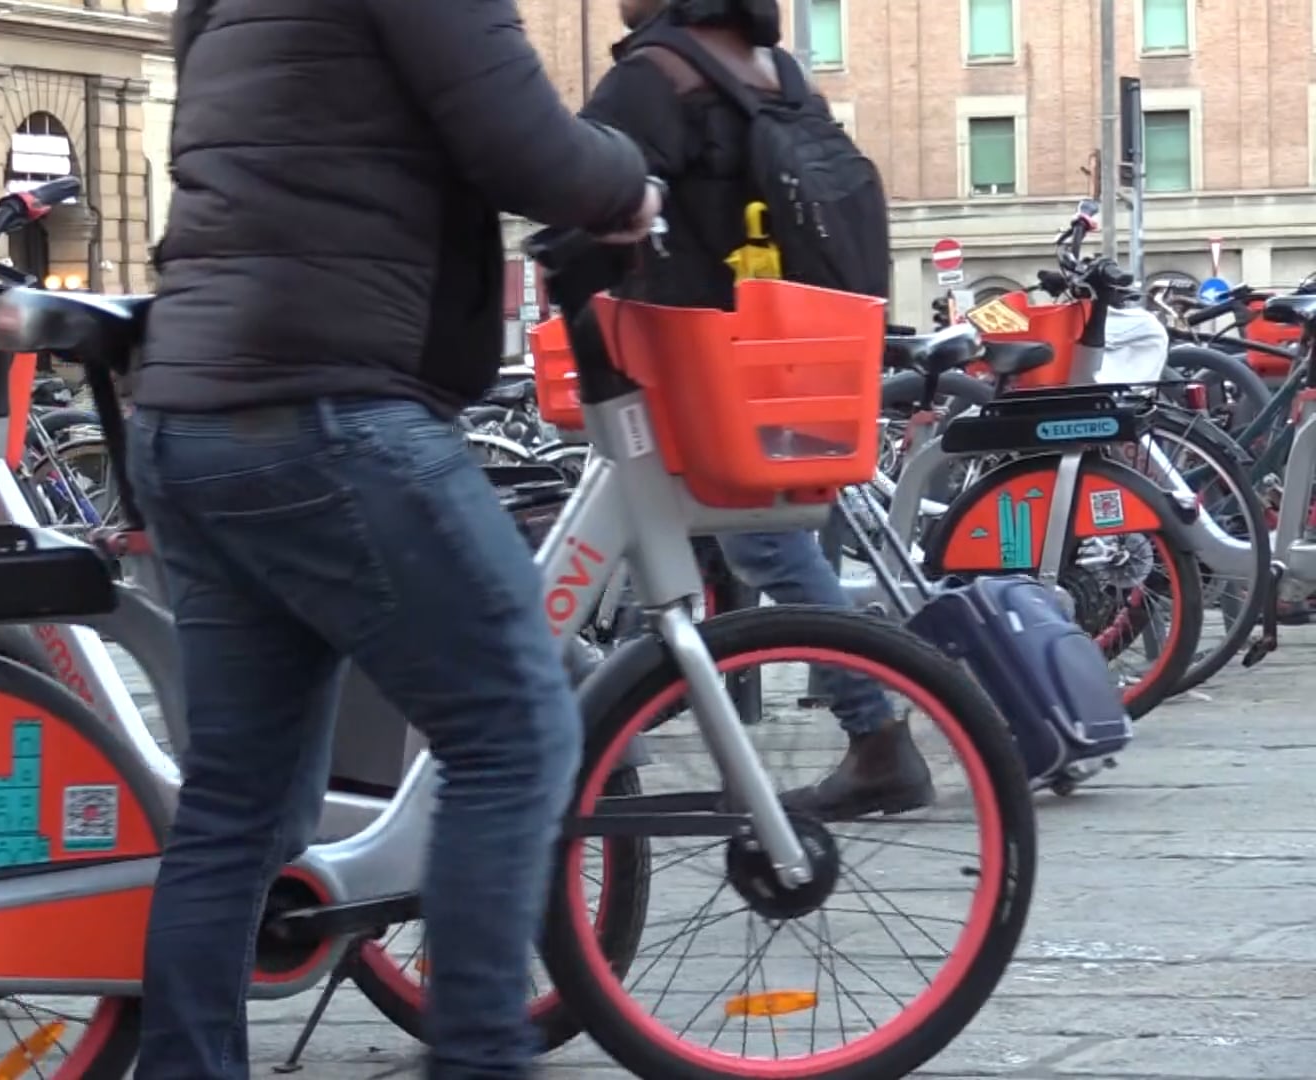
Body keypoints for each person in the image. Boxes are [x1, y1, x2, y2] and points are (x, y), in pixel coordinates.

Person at [125, 0, 662, 1074]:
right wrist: (628, 182)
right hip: (328, 412)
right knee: (514, 729)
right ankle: (478, 1057)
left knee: (238, 804)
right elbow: (525, 146)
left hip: (191, 414)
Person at [580, 0, 933, 820]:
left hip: (695, 355)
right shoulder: (773, 71)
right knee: (712, 539)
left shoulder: (657, 74)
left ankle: (876, 733)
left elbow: (579, 183)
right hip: (777, 348)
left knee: (760, 543)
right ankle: (635, 702)